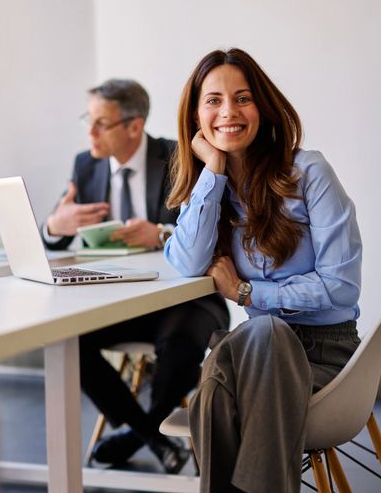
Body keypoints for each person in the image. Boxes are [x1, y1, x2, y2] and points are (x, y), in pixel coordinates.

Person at [164, 48, 362, 492]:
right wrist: (213, 173)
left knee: (244, 351)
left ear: (264, 107)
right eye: (213, 100)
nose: (229, 111)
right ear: (196, 115)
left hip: (325, 355)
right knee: (251, 345)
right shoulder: (211, 188)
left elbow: (342, 288)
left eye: (243, 98)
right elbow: (187, 263)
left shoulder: (309, 172)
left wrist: (248, 294)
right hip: (257, 353)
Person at [42, 79, 230, 473]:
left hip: (185, 297)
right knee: (65, 339)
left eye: (101, 123)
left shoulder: (177, 156)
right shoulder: (86, 164)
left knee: (180, 342)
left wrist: (160, 233)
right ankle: (151, 435)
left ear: (134, 125)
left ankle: (135, 434)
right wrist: (55, 226)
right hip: (115, 300)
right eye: (88, 121)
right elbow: (58, 237)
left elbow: (211, 227)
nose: (90, 132)